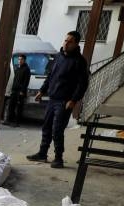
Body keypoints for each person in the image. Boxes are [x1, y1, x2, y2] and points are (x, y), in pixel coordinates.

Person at [28, 31, 89, 168]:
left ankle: (58, 158)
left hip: (64, 101)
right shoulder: (58, 57)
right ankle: (42, 153)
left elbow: (82, 84)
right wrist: (42, 91)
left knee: (57, 129)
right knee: (47, 127)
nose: (66, 43)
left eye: (70, 41)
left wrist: (74, 100)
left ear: (76, 44)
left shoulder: (79, 61)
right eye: (65, 40)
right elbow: (51, 76)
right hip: (52, 98)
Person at [5, 53, 31, 127]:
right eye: (19, 59)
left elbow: (26, 81)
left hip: (20, 92)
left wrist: (22, 91)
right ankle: (9, 120)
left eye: (21, 59)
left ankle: (16, 122)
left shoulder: (26, 69)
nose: (19, 61)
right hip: (14, 90)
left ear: (24, 60)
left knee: (18, 107)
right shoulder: (17, 68)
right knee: (11, 106)